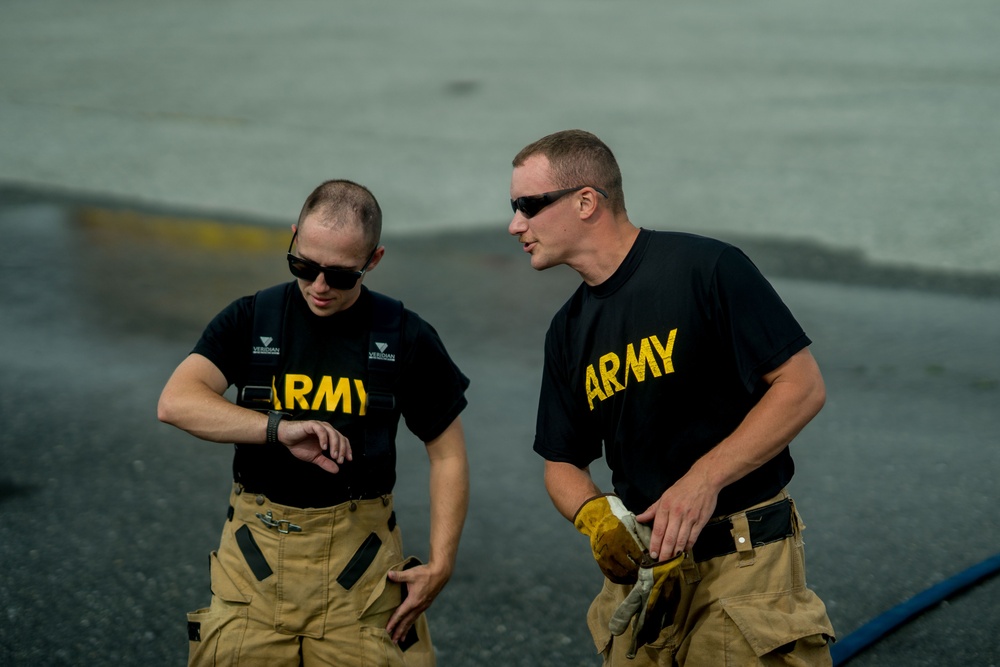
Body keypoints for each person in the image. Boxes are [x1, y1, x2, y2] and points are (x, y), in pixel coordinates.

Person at [508, 130, 835, 665]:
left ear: (586, 201)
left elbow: (801, 386)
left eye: (528, 205)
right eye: (514, 207)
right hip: (645, 582)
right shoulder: (566, 331)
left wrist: (703, 480)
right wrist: (596, 517)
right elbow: (561, 462)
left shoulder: (706, 270)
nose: (515, 224)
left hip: (745, 566)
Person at [158, 179, 470, 666]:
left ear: (374, 260)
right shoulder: (252, 318)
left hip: (361, 575)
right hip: (253, 569)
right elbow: (176, 401)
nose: (319, 286)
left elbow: (447, 454)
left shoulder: (404, 335)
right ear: (293, 238)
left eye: (341, 275)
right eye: (303, 265)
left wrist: (442, 562)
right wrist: (277, 429)